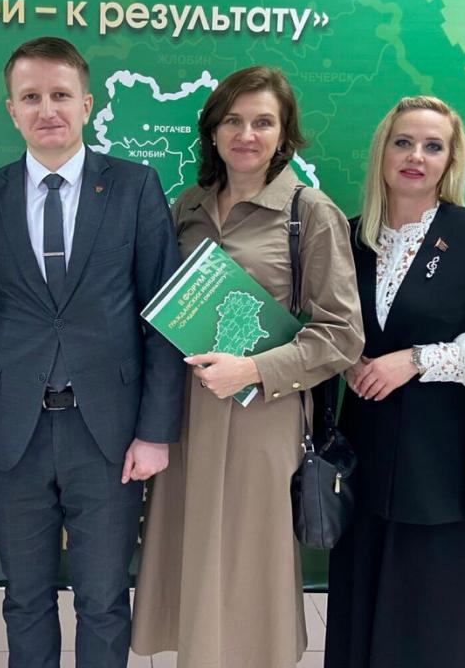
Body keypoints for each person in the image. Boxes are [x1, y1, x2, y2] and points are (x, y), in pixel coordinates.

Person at [0, 36, 184, 668]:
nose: (47, 109)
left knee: (103, 600)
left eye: (60, 95)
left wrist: (155, 432)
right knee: (24, 598)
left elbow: (164, 319)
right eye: (31, 97)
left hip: (108, 435)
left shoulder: (134, 187)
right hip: (9, 433)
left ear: (86, 104)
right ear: (12, 110)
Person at [131, 66, 365, 668]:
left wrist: (255, 370)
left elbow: (342, 335)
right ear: (212, 131)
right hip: (187, 413)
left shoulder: (309, 212)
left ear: (284, 134)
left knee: (249, 562)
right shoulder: (186, 206)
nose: (246, 134)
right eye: (233, 121)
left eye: (263, 122)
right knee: (191, 552)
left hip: (264, 414)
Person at [323, 95, 465, 668]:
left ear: (450, 160)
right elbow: (328, 326)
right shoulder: (350, 238)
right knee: (361, 596)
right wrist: (347, 358)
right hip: (363, 451)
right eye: (403, 142)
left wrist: (415, 360)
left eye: (432, 146)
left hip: (443, 462)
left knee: (436, 611)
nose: (415, 156)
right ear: (383, 152)